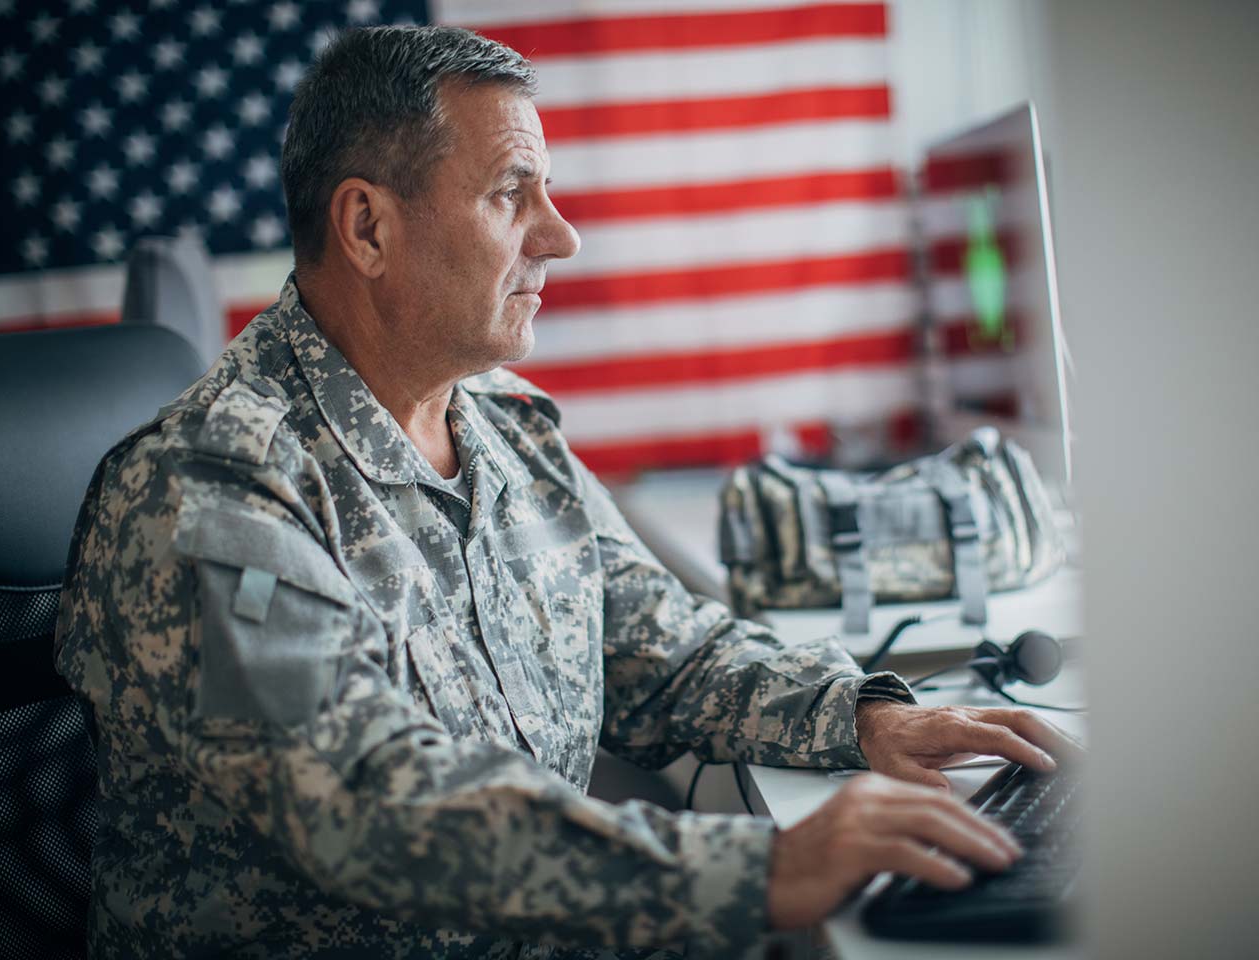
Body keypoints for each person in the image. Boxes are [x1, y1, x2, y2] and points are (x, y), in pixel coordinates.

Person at [56, 25, 1071, 960]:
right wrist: (763, 869)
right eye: (511, 192)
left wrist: (855, 715)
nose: (561, 237)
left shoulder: (501, 423)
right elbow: (362, 804)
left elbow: (652, 646)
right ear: (366, 227)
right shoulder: (208, 488)